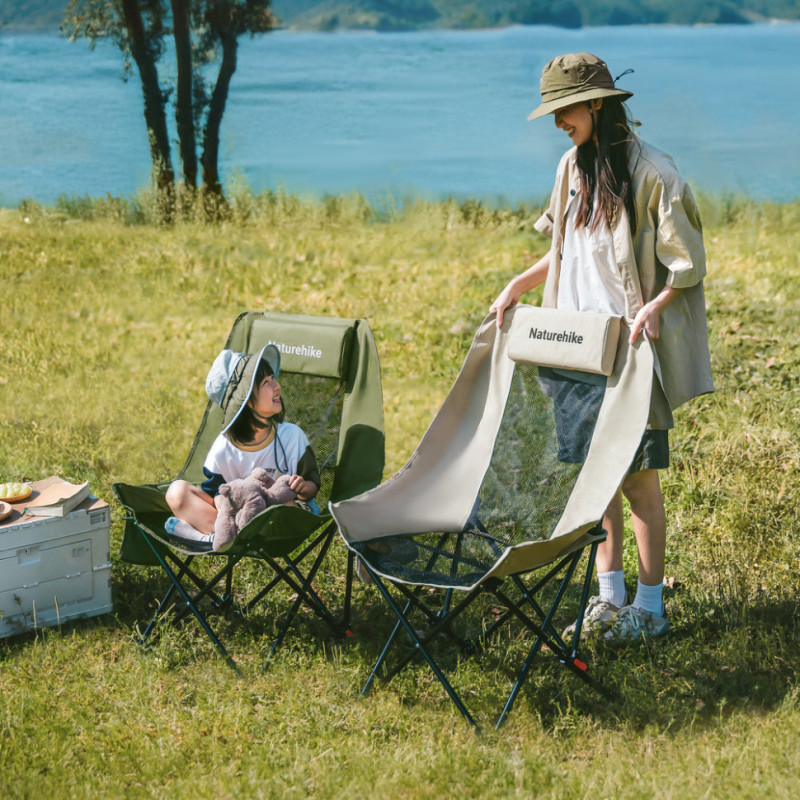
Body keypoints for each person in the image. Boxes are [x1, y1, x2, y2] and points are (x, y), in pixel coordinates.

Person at [490, 53, 713, 642]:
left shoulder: (654, 173)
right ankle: (609, 599)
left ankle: (651, 609)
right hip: (575, 348)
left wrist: (656, 306)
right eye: (553, 112)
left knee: (638, 482)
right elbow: (562, 249)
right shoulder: (571, 166)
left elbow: (687, 263)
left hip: (628, 354)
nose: (558, 122)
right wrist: (518, 284)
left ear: (597, 103)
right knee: (596, 481)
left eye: (565, 109)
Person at [165, 344, 321, 552]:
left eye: (273, 378)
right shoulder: (223, 448)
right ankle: (223, 538)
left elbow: (312, 486)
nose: (277, 386)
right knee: (177, 492)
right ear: (245, 401)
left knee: (284, 509)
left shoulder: (292, 436)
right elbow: (215, 494)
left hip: (279, 525)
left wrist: (303, 488)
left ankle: (206, 539)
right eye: (266, 382)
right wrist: (231, 505)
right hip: (237, 520)